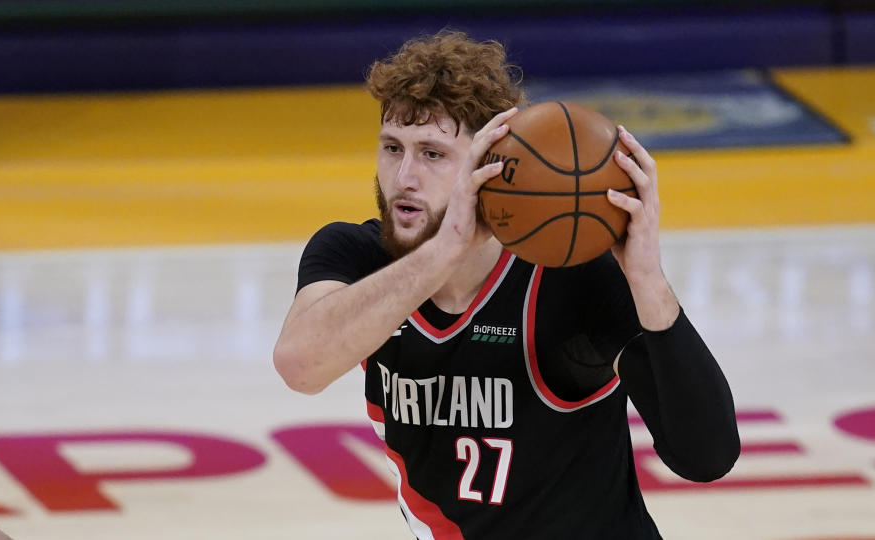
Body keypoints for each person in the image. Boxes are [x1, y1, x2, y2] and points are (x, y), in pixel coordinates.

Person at [274, 30, 740, 539]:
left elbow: (707, 457)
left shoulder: (571, 278)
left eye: (432, 154)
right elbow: (301, 366)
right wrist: (444, 250)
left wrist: (647, 278)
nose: (403, 176)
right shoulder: (357, 255)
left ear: (490, 165)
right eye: (392, 148)